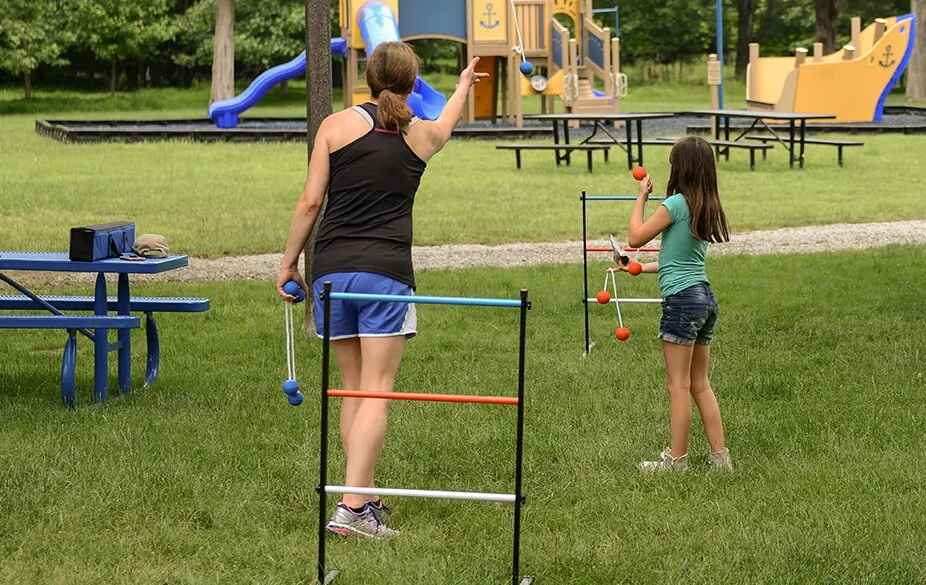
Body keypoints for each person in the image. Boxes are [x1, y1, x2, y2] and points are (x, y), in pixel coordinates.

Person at [276, 42, 487, 537]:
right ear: (414, 84)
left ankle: (363, 497)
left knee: (354, 389)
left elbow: (309, 204)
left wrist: (288, 263)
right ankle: (352, 508)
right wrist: (460, 88)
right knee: (375, 391)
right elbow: (447, 124)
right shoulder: (420, 137)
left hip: (331, 273)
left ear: (367, 79)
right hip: (385, 274)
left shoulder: (333, 127)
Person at [618, 136, 734, 472]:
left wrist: (641, 198)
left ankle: (677, 460)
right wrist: (639, 268)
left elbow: (635, 237)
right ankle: (720, 458)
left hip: (683, 302)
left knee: (678, 385)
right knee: (700, 383)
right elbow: (681, 260)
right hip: (704, 299)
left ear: (680, 168)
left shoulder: (676, 204)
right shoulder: (706, 204)